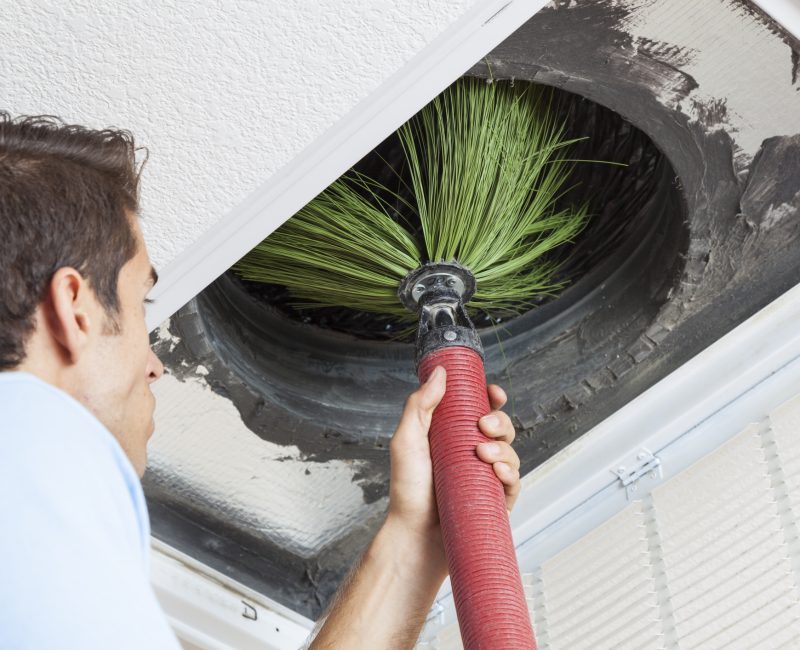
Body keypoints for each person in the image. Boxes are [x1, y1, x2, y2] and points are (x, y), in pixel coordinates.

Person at [0, 114, 522, 649]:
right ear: (75, 309)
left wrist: (418, 535)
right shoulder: (34, 456)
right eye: (141, 303)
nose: (155, 365)